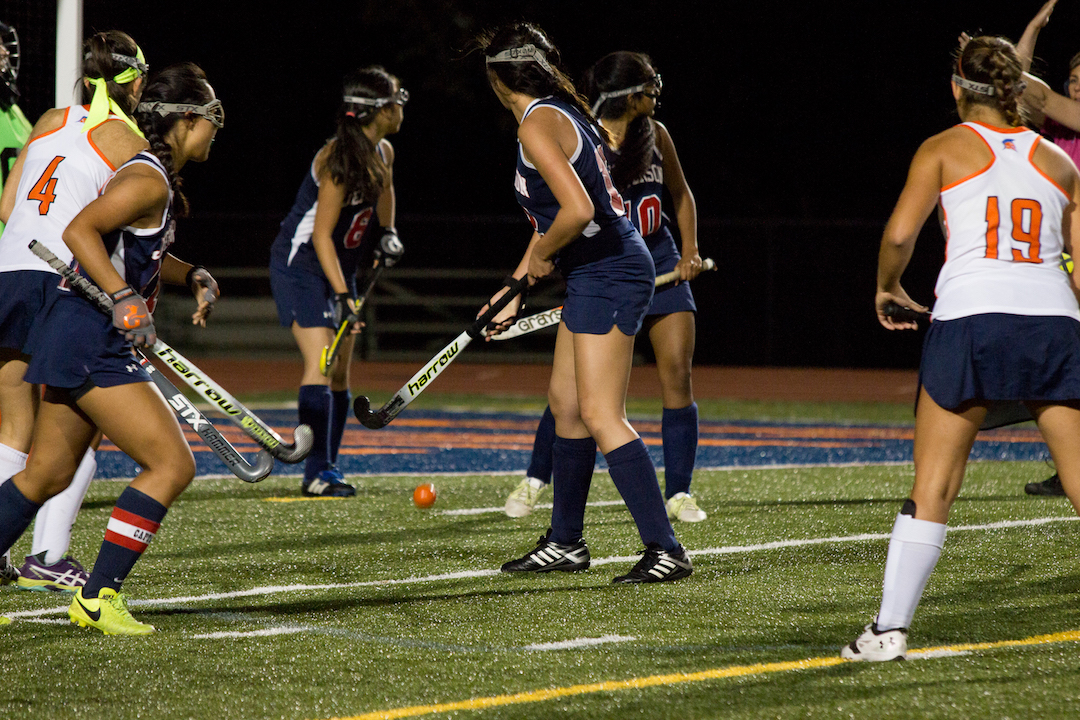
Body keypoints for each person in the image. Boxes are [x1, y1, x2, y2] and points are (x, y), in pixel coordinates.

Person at [841, 36, 1080, 661]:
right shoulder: (1061, 162)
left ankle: (888, 630)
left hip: (972, 317)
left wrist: (887, 286)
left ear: (956, 88)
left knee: (936, 484)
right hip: (1055, 319)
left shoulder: (943, 147)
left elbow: (899, 235)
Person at [0, 62, 222, 634]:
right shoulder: (148, 178)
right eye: (213, 118)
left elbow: (133, 249)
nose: (217, 129)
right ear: (188, 120)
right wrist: (124, 298)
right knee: (171, 464)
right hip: (88, 337)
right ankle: (98, 597)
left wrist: (191, 273)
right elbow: (78, 230)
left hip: (74, 331)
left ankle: (95, 596)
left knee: (45, 474)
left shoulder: (150, 177)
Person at [481, 22, 692, 583]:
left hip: (610, 271)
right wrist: (515, 286)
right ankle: (567, 541)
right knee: (566, 406)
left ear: (498, 78)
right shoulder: (561, 111)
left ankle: (665, 548)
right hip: (595, 270)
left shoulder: (535, 125)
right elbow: (558, 217)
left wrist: (543, 258)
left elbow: (574, 213)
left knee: (601, 414)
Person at [0, 30, 153, 593]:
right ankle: (49, 553)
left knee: (14, 427)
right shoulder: (126, 138)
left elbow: (8, 204)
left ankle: (3, 553)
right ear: (133, 79)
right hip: (58, 282)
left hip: (8, 269)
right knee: (83, 427)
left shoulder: (46, 119)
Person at [269, 66, 405, 498]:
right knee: (322, 362)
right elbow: (322, 236)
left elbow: (385, 191)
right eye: (397, 100)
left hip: (338, 267)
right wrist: (345, 295)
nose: (401, 108)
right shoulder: (338, 160)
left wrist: (387, 231)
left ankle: (327, 464)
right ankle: (314, 474)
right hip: (303, 264)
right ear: (380, 110)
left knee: (341, 369)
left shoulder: (381, 150)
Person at [1015, 0, 1080, 496]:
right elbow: (1014, 85)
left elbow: (1015, 78)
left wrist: (1033, 30)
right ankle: (1069, 467)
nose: (1077, 84)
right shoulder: (1057, 129)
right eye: (1074, 77)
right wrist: (1033, 28)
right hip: (1066, 251)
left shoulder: (1071, 118)